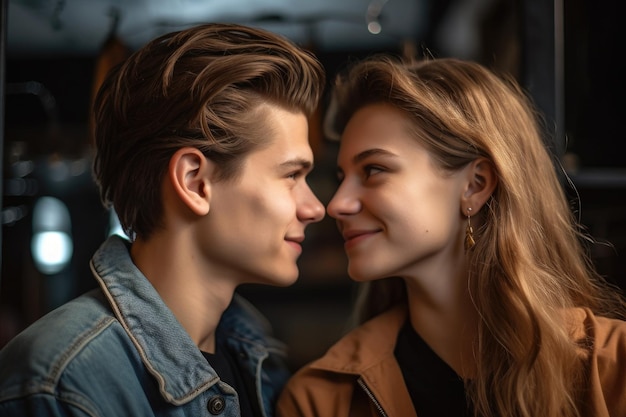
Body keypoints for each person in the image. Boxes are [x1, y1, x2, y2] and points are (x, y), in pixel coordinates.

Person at [0, 23, 326, 417]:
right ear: (195, 182)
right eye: (292, 175)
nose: (315, 208)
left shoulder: (261, 358)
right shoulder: (62, 383)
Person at [276, 55, 626, 417]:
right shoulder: (319, 401)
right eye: (341, 177)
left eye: (374, 170)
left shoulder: (614, 367)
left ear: (475, 186)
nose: (336, 205)